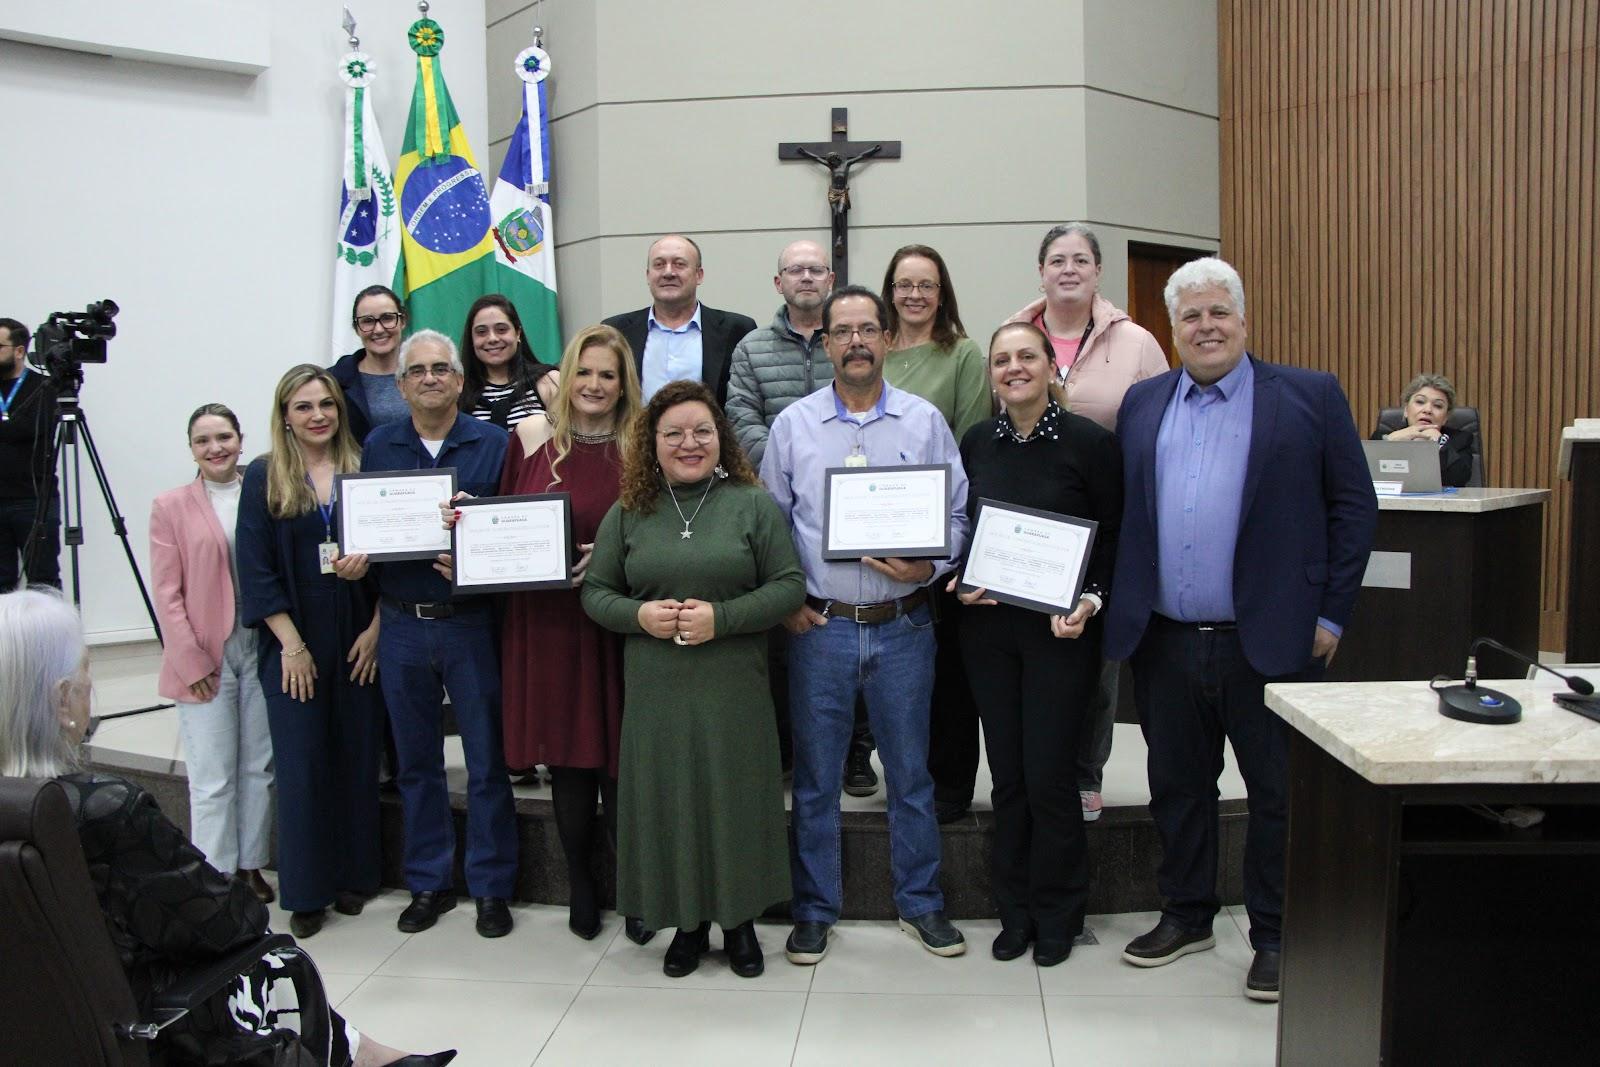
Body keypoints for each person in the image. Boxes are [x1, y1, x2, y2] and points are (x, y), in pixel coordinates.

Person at [0, 588, 453, 1067]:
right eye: (86, 671)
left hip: (34, 1028)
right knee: (274, 957)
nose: (91, 685)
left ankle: (366, 1054)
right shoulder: (104, 811)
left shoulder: (50, 811)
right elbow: (228, 920)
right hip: (145, 1026)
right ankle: (364, 1056)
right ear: (62, 700)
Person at [1104, 257, 1376, 1001]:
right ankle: (1186, 912)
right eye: (1190, 316)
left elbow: (1354, 508)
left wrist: (1331, 614)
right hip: (1165, 639)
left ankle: (1277, 934)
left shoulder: (1310, 396)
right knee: (1177, 787)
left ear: (1244, 320)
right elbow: (1125, 514)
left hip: (1273, 639)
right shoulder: (1143, 403)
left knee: (1276, 795)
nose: (1206, 326)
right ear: (1172, 329)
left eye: (1218, 312)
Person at [762, 285, 971, 965]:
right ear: (824, 344)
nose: (856, 341)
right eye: (842, 331)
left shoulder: (924, 421)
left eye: (867, 329)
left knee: (910, 775)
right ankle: (814, 910)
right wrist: (786, 600)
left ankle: (922, 902)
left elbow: (958, 514)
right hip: (819, 628)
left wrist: (930, 566)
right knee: (816, 781)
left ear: (886, 339)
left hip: (904, 625)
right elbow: (770, 525)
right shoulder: (793, 426)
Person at [581, 379, 805, 979]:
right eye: (674, 433)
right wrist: (639, 616)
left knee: (734, 802)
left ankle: (739, 923)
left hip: (733, 687)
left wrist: (721, 618)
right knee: (672, 806)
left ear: (721, 439)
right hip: (657, 691)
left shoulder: (751, 505)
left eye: (702, 431)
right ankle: (686, 924)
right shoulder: (630, 511)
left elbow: (788, 587)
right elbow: (597, 593)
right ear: (652, 443)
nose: (689, 443)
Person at [953, 322, 1122, 966]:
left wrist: (1090, 600)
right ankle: (1015, 910)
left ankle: (1059, 912)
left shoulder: (1090, 443)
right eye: (1002, 360)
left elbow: (1113, 534)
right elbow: (963, 526)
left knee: (1050, 776)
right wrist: (961, 576)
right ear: (992, 374)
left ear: (1053, 366)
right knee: (1009, 777)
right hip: (989, 632)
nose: (1014, 368)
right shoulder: (978, 441)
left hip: (1061, 633)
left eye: (1027, 356)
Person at [359, 331, 519, 939]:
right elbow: (364, 530)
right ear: (401, 387)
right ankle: (428, 881)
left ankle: (491, 886)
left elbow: (512, 532)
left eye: (441, 369)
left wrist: (479, 542)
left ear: (459, 380)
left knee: (486, 763)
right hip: (401, 621)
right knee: (417, 763)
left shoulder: (494, 444)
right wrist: (352, 557)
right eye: (417, 371)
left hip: (471, 624)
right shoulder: (379, 445)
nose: (429, 378)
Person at [1009, 223, 1170, 823]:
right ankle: (1030, 773)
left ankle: (1084, 774)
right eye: (1057, 260)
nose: (1069, 269)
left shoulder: (1137, 344)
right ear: (1041, 272)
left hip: (1104, 519)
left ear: (1099, 271)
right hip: (1029, 522)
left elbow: (1160, 427)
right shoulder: (1016, 334)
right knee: (1034, 651)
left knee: (1096, 656)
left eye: (1081, 259)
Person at [494, 324, 642, 940]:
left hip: (622, 623)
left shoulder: (644, 444)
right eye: (584, 371)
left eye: (608, 374)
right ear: (564, 376)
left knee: (623, 761)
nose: (595, 385)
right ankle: (581, 883)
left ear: (624, 383)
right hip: (550, 623)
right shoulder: (529, 437)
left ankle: (635, 887)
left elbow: (668, 529)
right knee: (570, 760)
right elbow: (502, 521)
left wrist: (613, 560)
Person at [237, 367, 385, 939]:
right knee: (301, 765)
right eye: (303, 406)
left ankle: (354, 876)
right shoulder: (263, 476)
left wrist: (377, 628)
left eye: (326, 404)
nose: (318, 415)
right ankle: (305, 891)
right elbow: (254, 567)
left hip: (358, 633)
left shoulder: (365, 466)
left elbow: (395, 553)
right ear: (285, 416)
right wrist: (291, 646)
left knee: (356, 754)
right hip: (291, 639)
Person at [879, 244, 990, 822]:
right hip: (873, 526)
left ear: (942, 293)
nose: (915, 295)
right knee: (895, 667)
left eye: (926, 284)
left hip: (935, 528)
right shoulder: (874, 350)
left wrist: (942, 535)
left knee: (946, 668)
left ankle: (949, 783)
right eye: (905, 284)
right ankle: (903, 775)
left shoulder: (962, 353)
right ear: (890, 291)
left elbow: (969, 444)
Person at [149, 403, 273, 903]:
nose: (215, 448)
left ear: (241, 441)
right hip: (205, 653)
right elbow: (167, 594)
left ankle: (251, 865)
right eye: (203, 441)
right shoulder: (170, 506)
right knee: (213, 777)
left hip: (260, 644)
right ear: (191, 450)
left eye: (224, 437)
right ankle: (215, 875)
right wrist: (189, 660)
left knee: (259, 768)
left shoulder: (263, 493)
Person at [724, 238, 835, 779]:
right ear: (778, 282)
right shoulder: (751, 348)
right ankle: (785, 750)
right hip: (772, 508)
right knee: (782, 633)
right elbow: (740, 417)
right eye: (795, 270)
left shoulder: (848, 338)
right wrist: (794, 466)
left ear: (830, 279)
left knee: (843, 625)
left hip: (845, 507)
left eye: (815, 270)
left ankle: (853, 752)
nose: (806, 278)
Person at [602, 234, 757, 405]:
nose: (668, 272)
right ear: (648, 275)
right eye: (659, 265)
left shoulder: (737, 330)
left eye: (679, 264)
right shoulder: (616, 331)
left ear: (699, 275)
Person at [0, 316, 60, 590]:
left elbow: (30, 428)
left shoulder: (45, 387)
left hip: (34, 500)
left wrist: (11, 428)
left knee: (42, 580)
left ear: (19, 350)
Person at [457, 293, 560, 430]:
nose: (492, 338)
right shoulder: (458, 390)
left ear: (518, 333)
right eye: (481, 332)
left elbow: (568, 437)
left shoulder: (548, 381)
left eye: (501, 330)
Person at [329, 285, 412, 444]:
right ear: (356, 328)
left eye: (387, 318)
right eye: (367, 321)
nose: (379, 329)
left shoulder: (427, 375)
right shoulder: (333, 382)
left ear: (402, 321)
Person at [1375, 372, 1475, 487]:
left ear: (1445, 418)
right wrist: (1390, 441)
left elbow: (1459, 479)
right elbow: (1366, 476)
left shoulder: (1460, 440)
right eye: (1420, 402)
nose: (1427, 410)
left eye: (1438, 405)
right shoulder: (1382, 436)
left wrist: (1440, 443)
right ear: (1406, 410)